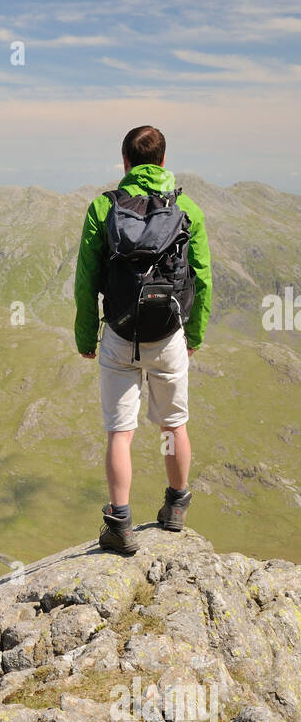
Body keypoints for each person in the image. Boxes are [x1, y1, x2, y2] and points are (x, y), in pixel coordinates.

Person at [74, 125, 212, 555]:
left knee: (120, 431)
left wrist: (86, 334)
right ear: (164, 162)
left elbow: (86, 281)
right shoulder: (187, 207)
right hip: (167, 334)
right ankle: (175, 508)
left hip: (119, 332)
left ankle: (120, 524)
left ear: (126, 163)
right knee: (173, 423)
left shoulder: (103, 207)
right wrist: (194, 333)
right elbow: (203, 279)